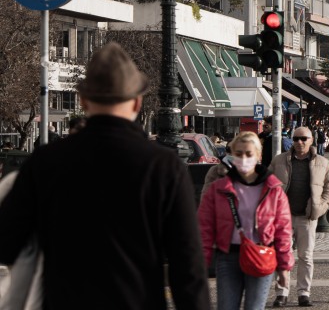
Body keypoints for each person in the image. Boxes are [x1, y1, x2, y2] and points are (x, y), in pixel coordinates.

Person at [0, 42, 210, 309]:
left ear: (84, 101)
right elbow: (187, 264)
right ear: (136, 101)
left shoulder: (46, 161)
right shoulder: (163, 166)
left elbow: (8, 242)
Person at [199, 131, 294, 310]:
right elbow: (205, 227)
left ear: (258, 155)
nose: (244, 158)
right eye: (239, 154)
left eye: (249, 154)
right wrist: (201, 262)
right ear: (232, 155)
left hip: (261, 255)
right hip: (228, 257)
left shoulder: (273, 189)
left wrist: (284, 266)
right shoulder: (218, 189)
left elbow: (283, 230)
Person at [270, 126, 329, 307]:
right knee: (282, 255)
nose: (299, 142)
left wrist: (320, 207)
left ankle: (303, 293)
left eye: (303, 138)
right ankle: (281, 293)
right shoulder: (279, 161)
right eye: (296, 138)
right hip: (283, 217)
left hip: (307, 217)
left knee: (305, 256)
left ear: (312, 140)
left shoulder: (322, 162)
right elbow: (267, 185)